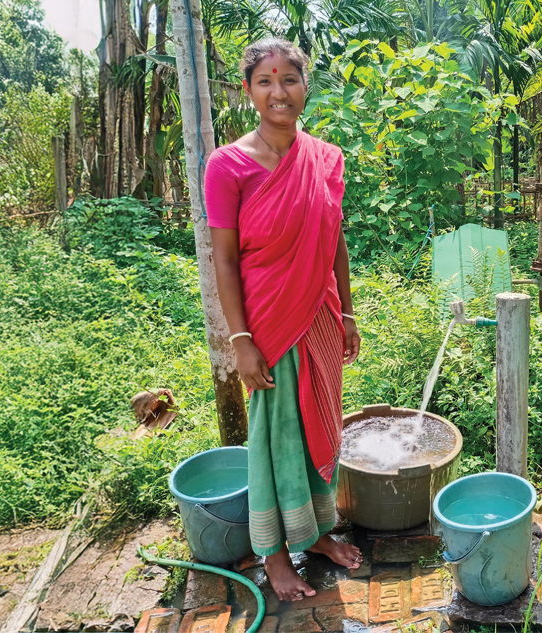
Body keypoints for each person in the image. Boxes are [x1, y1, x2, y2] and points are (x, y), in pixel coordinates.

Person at [205, 37, 363, 602]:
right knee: (276, 435)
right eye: (266, 81)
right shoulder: (228, 165)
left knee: (320, 419)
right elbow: (224, 259)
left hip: (318, 316)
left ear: (304, 86)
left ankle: (316, 534)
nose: (279, 92)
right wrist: (241, 341)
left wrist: (346, 310)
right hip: (269, 324)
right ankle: (274, 555)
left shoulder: (325, 158)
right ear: (248, 91)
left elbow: (334, 239)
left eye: (289, 79)